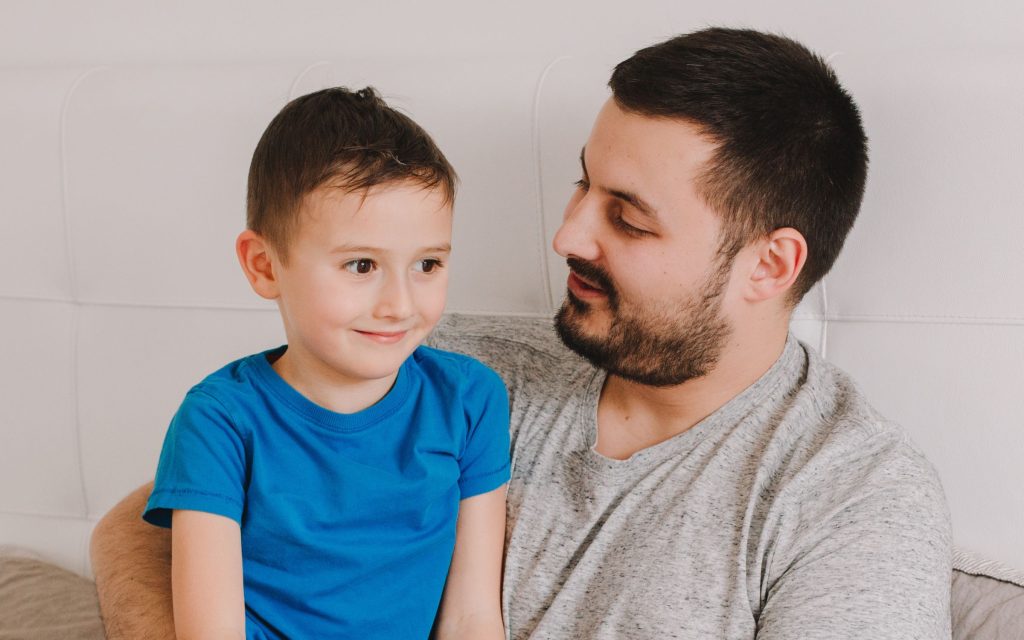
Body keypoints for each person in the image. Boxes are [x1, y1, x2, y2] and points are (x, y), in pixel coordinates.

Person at [91, 27, 952, 639]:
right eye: (584, 189)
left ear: (769, 266)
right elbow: (138, 524)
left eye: (629, 219)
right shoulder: (447, 363)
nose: (569, 236)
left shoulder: (852, 496)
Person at [135, 87, 510, 639]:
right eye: (361, 265)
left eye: (427, 264)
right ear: (265, 266)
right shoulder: (218, 420)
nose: (401, 305)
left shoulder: (471, 399)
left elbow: (472, 614)